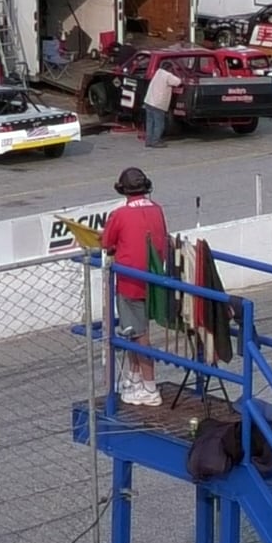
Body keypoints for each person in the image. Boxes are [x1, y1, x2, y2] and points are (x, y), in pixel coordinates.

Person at [99, 166, 169, 407]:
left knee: (138, 334)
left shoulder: (119, 215)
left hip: (130, 281)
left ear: (123, 191)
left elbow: (107, 243)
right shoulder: (157, 210)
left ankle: (150, 387)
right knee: (134, 331)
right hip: (155, 278)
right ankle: (135, 378)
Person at [141, 59, 183, 148]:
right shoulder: (167, 75)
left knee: (150, 122)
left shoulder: (158, 72)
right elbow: (178, 82)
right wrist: (176, 72)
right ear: (170, 68)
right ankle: (155, 141)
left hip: (149, 101)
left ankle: (148, 141)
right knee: (159, 123)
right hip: (158, 103)